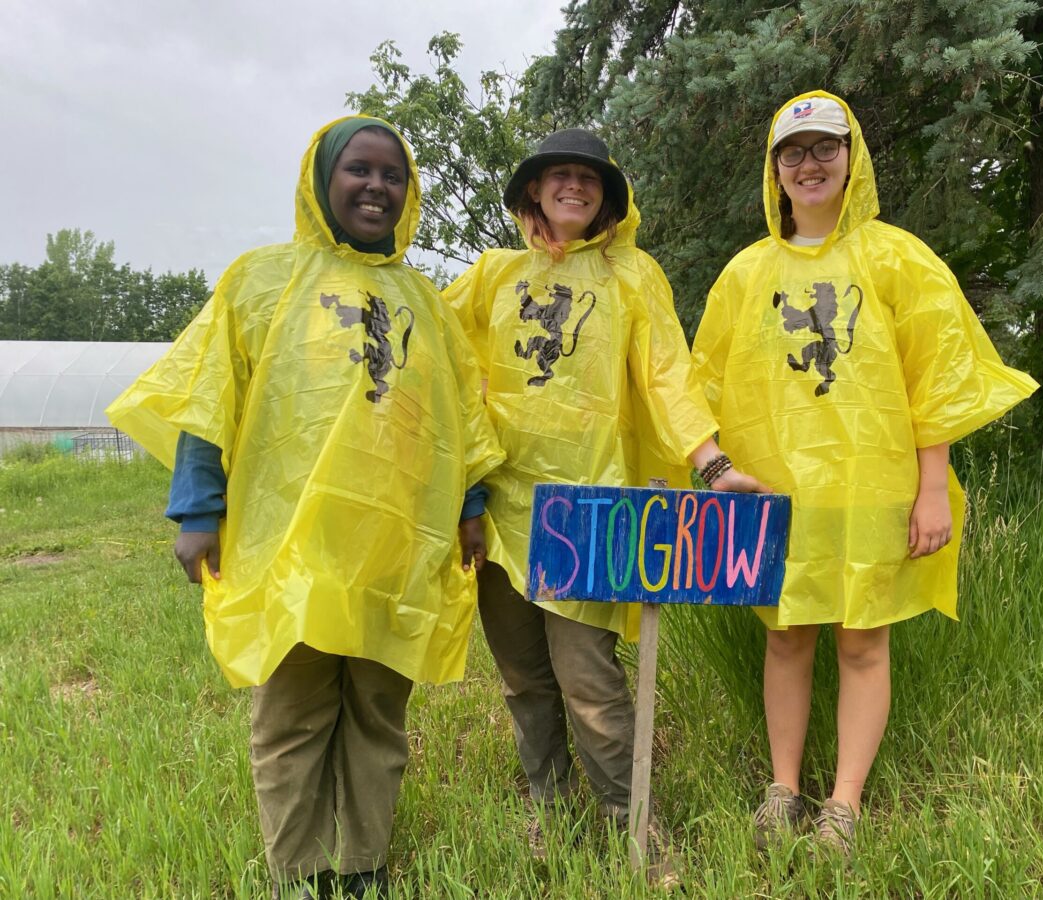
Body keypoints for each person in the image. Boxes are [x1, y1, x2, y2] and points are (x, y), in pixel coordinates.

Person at [107, 116, 504, 899]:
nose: (377, 186)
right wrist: (197, 511)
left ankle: (363, 866)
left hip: (395, 543)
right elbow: (210, 399)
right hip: (290, 542)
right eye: (360, 169)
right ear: (322, 180)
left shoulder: (426, 302)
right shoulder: (261, 281)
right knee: (292, 714)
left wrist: (469, 506)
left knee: (379, 711)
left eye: (393, 175)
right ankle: (301, 871)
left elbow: (462, 418)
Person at [690, 92, 1038, 857]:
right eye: (793, 152)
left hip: (875, 484)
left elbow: (936, 377)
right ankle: (783, 788)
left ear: (853, 158)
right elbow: (703, 379)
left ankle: (842, 805)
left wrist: (934, 485)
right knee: (785, 637)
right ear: (774, 171)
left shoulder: (897, 257)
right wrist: (718, 468)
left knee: (862, 642)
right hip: (778, 491)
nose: (809, 164)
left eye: (824, 148)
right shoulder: (747, 272)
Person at [443, 129, 762, 869]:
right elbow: (431, 349)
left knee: (589, 676)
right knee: (523, 676)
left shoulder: (631, 275)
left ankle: (633, 821)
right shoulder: (491, 275)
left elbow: (666, 375)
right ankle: (548, 810)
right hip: (500, 505)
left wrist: (712, 466)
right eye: (559, 175)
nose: (574, 188)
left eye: (589, 179)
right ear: (533, 191)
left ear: (606, 197)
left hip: (589, 509)